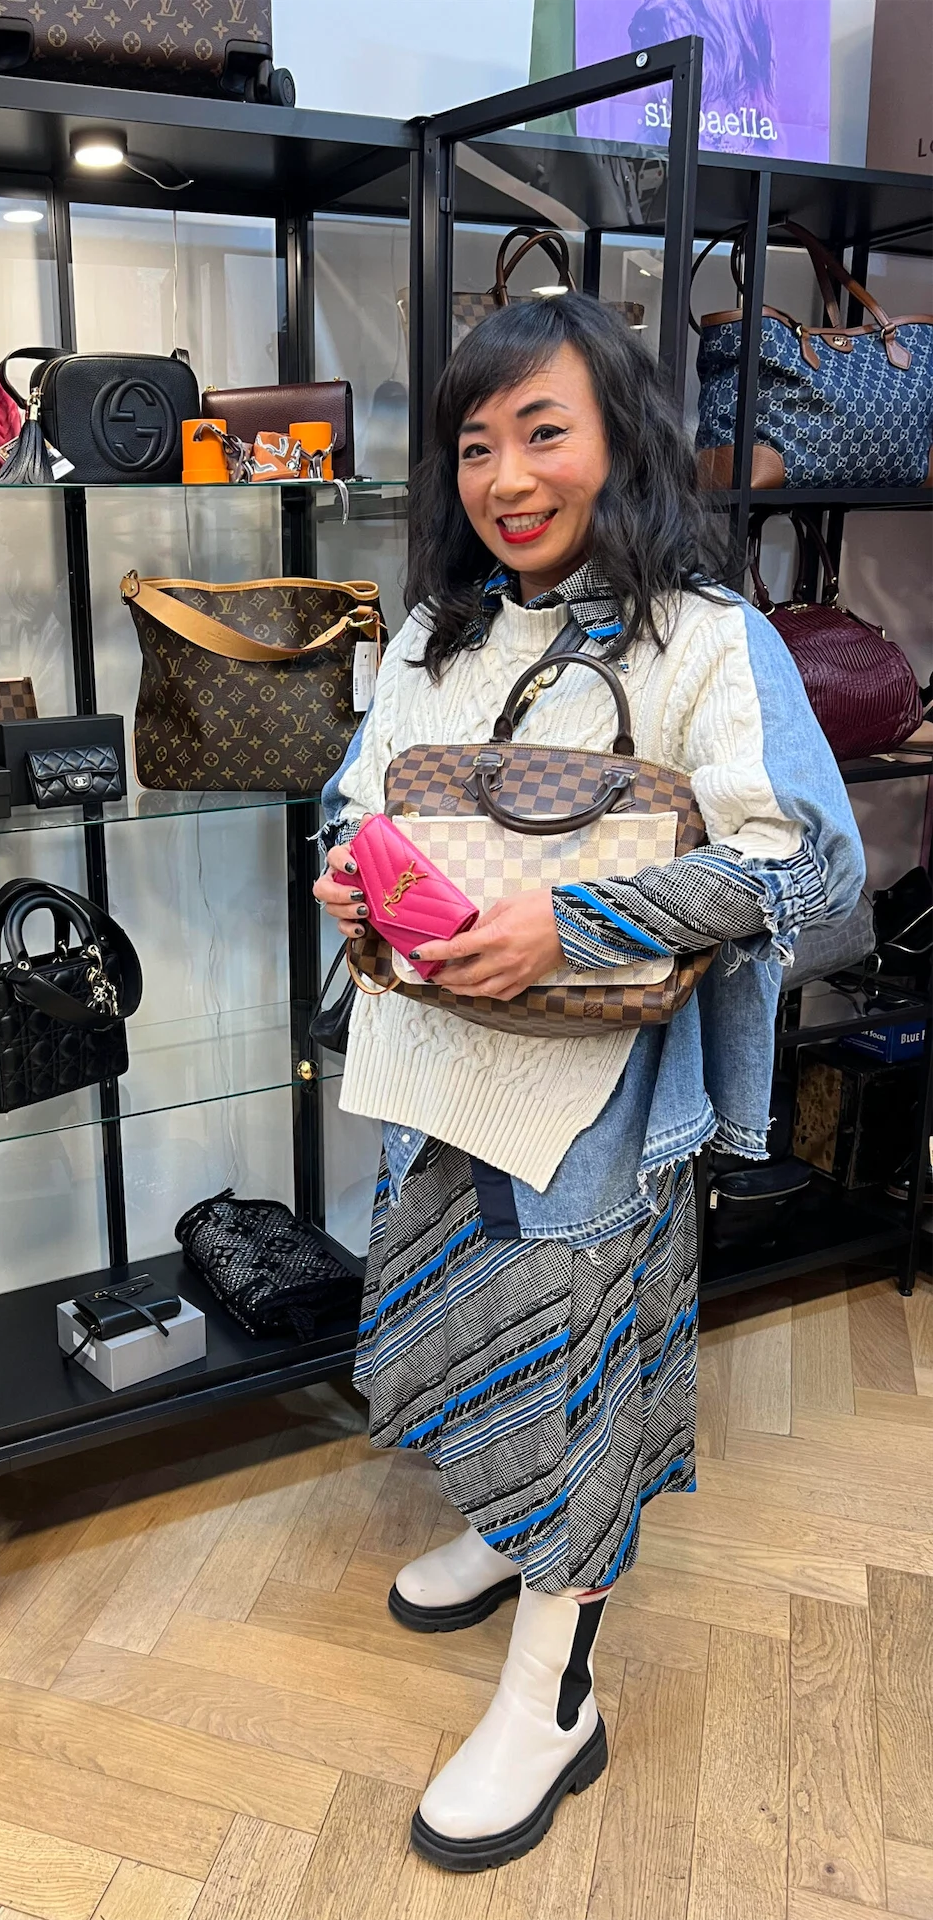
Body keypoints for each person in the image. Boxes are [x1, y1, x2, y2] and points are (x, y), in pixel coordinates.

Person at [315, 292, 862, 1874]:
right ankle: (507, 1533)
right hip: (432, 1069)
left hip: (599, 1107)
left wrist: (575, 921)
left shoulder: (709, 638)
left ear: (622, 440)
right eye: (476, 445)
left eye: (543, 432)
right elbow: (356, 806)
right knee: (469, 1330)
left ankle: (554, 1697)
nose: (506, 477)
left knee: (582, 1377)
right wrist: (349, 876)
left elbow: (813, 871)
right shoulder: (439, 636)